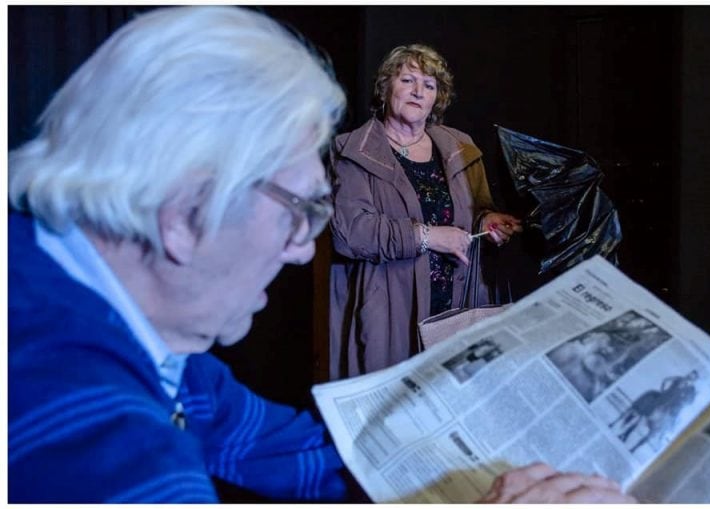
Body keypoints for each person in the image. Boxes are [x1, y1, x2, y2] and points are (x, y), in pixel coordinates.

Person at [8, 8, 633, 503]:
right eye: (299, 210)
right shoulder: (102, 442)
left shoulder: (154, 347)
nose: (305, 247)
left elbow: (296, 454)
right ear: (183, 213)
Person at [329, 44, 522, 379]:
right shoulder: (353, 150)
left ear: (437, 98)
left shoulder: (460, 147)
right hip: (392, 308)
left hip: (460, 304)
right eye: (407, 80)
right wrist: (429, 237)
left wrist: (489, 221)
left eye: (429, 85)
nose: (418, 91)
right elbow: (350, 232)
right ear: (386, 87)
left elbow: (477, 209)